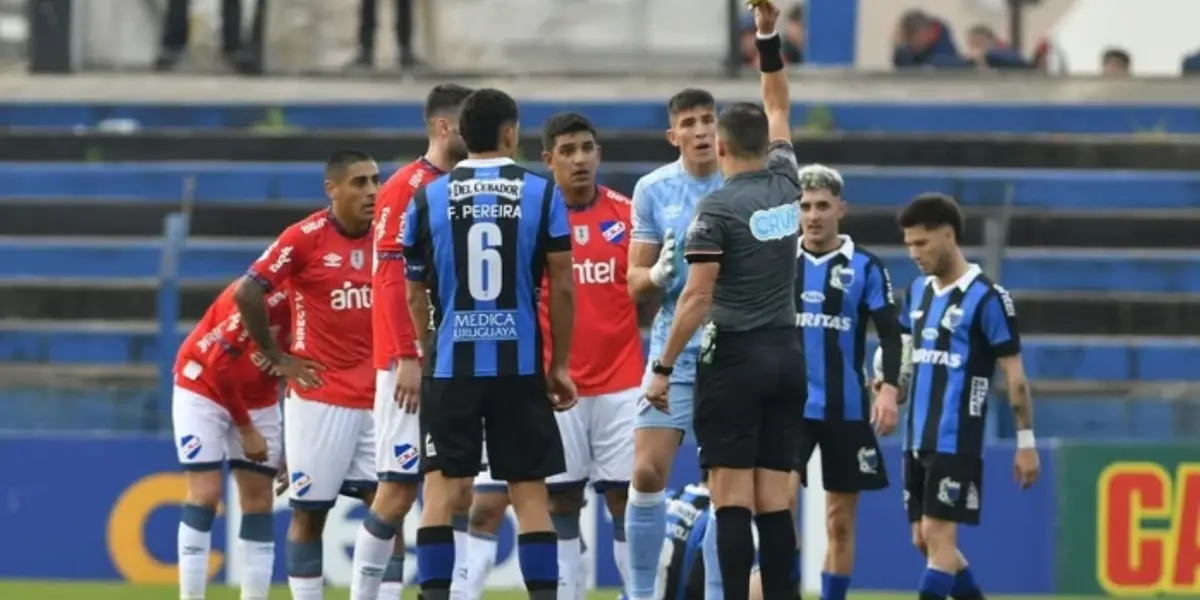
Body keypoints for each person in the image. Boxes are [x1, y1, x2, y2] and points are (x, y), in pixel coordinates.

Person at [643, 2, 804, 599]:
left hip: (734, 358)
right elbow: (779, 98)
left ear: (725, 148)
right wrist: (767, 32)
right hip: (788, 355)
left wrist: (661, 369)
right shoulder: (789, 180)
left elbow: (695, 299)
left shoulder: (716, 209)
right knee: (774, 499)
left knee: (731, 496)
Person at [401, 88, 576, 600]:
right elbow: (562, 286)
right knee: (529, 493)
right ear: (509, 133)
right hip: (518, 365)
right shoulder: (543, 193)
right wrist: (559, 364)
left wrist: (427, 347)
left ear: (460, 133)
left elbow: (413, 290)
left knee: (440, 490)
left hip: (451, 364)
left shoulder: (425, 196)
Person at [462, 111, 643, 599]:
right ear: (547, 160)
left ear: (599, 154)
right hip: (552, 387)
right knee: (560, 501)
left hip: (622, 383)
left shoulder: (630, 215)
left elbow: (649, 292)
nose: (580, 159)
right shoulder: (528, 218)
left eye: (587, 148)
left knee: (627, 500)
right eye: (567, 151)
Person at [234, 150, 381, 600]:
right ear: (332, 190)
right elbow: (247, 291)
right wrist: (279, 357)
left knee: (388, 508)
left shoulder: (390, 237)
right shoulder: (305, 238)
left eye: (375, 181)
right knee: (310, 515)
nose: (372, 191)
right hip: (321, 398)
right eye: (359, 182)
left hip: (380, 397)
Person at [349, 83, 474, 600]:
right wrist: (406, 354)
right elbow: (388, 276)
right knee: (398, 490)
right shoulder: (407, 186)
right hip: (410, 365)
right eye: (469, 123)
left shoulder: (465, 185)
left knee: (456, 490)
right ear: (444, 127)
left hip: (455, 363)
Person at [892, 192, 1041, 600]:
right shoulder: (917, 293)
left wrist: (1026, 443)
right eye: (909, 245)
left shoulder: (988, 297)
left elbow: (1016, 379)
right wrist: (891, 384)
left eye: (921, 243)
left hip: (956, 438)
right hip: (914, 438)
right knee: (923, 540)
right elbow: (904, 355)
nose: (914, 253)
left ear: (948, 235)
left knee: (938, 537)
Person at [624, 86, 724, 600]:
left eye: (708, 119)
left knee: (725, 488)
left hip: (731, 353)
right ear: (673, 135)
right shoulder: (653, 189)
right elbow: (634, 281)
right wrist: (659, 273)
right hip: (673, 351)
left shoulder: (741, 180)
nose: (702, 130)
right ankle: (641, 593)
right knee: (645, 471)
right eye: (690, 123)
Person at [790, 163, 902, 600]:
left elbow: (892, 335)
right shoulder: (781, 261)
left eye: (822, 205)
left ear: (841, 208)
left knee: (839, 521)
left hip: (845, 409)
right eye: (805, 206)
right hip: (788, 409)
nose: (813, 215)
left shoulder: (866, 267)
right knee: (779, 511)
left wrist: (889, 388)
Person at [173, 280, 296, 600]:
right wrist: (246, 429)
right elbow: (220, 364)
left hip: (261, 396)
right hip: (203, 386)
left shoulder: (326, 303)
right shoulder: (261, 296)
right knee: (206, 494)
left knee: (259, 500)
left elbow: (308, 375)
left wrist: (297, 438)